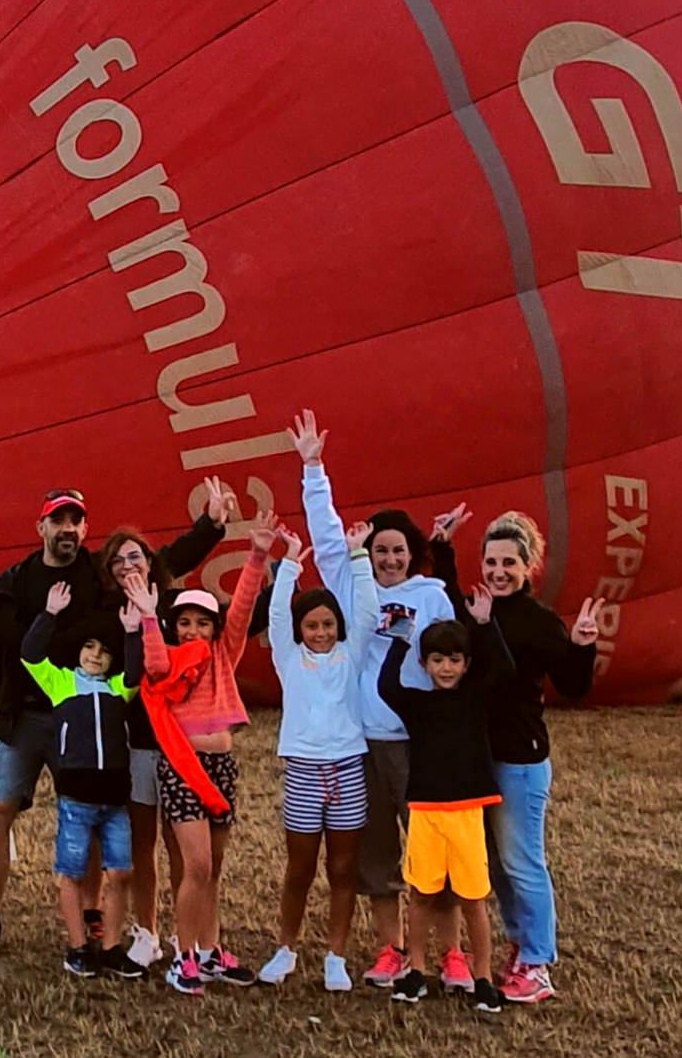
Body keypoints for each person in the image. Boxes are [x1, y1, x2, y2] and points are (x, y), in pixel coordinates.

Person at [289, 411, 463, 990]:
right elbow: (324, 531)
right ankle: (390, 948)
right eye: (381, 550)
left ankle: (447, 951)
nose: (388, 559)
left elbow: (453, 662)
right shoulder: (347, 581)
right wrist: (313, 467)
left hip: (416, 741)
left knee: (432, 850)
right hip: (363, 743)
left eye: (398, 551)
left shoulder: (431, 596)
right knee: (376, 856)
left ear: (413, 554)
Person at [86, 481, 272, 968]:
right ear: (108, 572)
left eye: (137, 558)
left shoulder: (171, 605)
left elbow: (213, 590)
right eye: (119, 561)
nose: (130, 566)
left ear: (150, 563)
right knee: (145, 842)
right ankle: (148, 931)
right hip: (143, 743)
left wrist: (215, 523)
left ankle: (191, 941)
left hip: (183, 745)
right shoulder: (107, 612)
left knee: (189, 854)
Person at [432, 511, 600, 1003]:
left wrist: (584, 646)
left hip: (520, 760)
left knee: (523, 861)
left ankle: (538, 961)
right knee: (498, 865)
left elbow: (574, 685)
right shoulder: (479, 609)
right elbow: (453, 610)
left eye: (509, 562)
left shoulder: (539, 622)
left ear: (529, 567)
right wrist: (442, 546)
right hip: (479, 757)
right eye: (490, 561)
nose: (498, 570)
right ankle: (520, 944)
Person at [0, 489, 102, 960]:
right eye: (58, 521)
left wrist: (211, 529)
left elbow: (158, 565)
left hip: (78, 717)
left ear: (85, 529)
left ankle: (93, 915)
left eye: (75, 521)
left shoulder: (97, 578)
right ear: (41, 529)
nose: (67, 530)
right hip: (24, 717)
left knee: (89, 819)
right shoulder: (15, 581)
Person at [127, 508, 276, 995]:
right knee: (196, 866)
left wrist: (255, 557)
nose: (194, 631)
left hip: (221, 765)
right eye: (185, 623)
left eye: (202, 623)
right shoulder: (168, 662)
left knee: (213, 867)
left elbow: (242, 612)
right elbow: (151, 663)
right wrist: (149, 616)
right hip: (183, 766)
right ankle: (184, 955)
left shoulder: (223, 656)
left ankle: (210, 953)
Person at [374, 597, 514, 1014]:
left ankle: (484, 978)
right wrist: (399, 639)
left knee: (473, 898)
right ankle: (415, 970)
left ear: (467, 664)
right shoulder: (417, 705)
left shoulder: (476, 700)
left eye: (455, 660)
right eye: (437, 660)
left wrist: (486, 622)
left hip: (468, 813)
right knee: (421, 894)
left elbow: (506, 670)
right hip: (426, 814)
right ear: (425, 664)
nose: (447, 668)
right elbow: (387, 687)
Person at [256, 525, 374, 991]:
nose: (321, 632)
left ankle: (336, 957)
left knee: (343, 868)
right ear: (300, 630)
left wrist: (358, 557)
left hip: (347, 769)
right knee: (299, 868)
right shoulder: (288, 658)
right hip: (304, 772)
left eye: (328, 624)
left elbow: (367, 611)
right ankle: (286, 948)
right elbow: (278, 618)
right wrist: (289, 564)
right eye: (312, 625)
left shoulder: (351, 653)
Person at [18, 581, 147, 980]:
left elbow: (137, 671)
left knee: (121, 872)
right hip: (75, 797)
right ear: (78, 652)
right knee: (71, 872)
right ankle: (77, 947)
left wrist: (130, 633)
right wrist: (49, 613)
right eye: (89, 648)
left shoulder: (116, 689)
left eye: (104, 651)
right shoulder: (60, 683)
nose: (96, 655)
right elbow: (30, 654)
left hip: (114, 799)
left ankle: (109, 946)